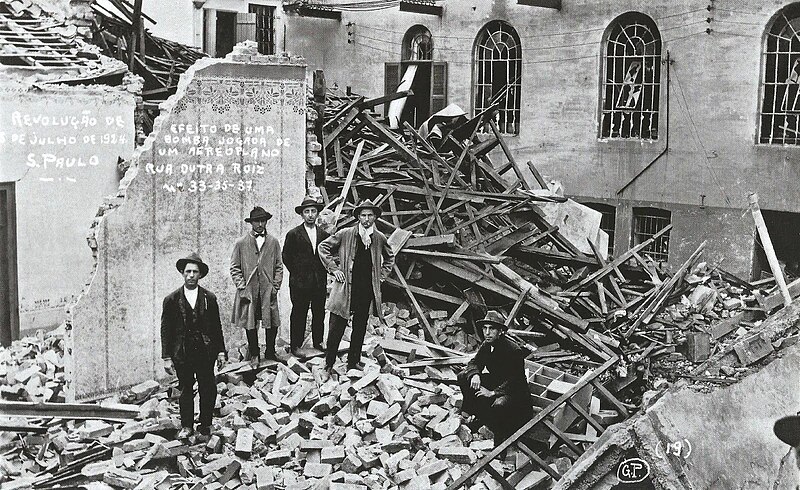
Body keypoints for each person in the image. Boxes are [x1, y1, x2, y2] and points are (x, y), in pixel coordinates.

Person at [318, 199, 394, 371]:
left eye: (370, 215)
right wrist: (334, 268)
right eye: (363, 215)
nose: (366, 219)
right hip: (346, 288)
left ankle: (353, 362)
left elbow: (390, 257)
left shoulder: (379, 238)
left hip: (365, 289)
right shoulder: (346, 233)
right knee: (336, 326)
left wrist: (381, 276)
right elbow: (323, 247)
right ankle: (329, 363)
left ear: (375, 217)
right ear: (358, 217)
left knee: (360, 328)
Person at [161, 253, 226, 438]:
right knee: (185, 389)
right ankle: (187, 425)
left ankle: (205, 424)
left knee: (208, 388)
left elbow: (216, 327)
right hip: (182, 352)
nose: (191, 275)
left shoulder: (209, 298)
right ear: (182, 273)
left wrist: (221, 351)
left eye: (195, 272)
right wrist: (167, 357)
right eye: (188, 271)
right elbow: (166, 330)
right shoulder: (171, 300)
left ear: (200, 275)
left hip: (205, 351)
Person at [458, 311, 533, 446]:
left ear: (500, 332)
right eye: (485, 328)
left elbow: (517, 381)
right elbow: (474, 362)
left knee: (499, 404)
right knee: (463, 376)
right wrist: (475, 374)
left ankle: (499, 440)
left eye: (491, 329)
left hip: (515, 394)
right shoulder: (487, 345)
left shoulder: (513, 350)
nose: (487, 332)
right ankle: (474, 413)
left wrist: (493, 393)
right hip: (497, 383)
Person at [230, 206, 283, 364]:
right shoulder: (241, 243)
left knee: (272, 321)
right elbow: (234, 267)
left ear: (266, 222)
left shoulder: (273, 242)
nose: (260, 224)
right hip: (249, 290)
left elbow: (279, 266)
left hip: (268, 289)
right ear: (251, 223)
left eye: (262, 221)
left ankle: (271, 351)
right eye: (256, 221)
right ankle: (254, 353)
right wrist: (242, 287)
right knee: (250, 321)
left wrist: (275, 286)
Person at [282, 197, 330, 356]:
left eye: (313, 211)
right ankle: (295, 345)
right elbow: (286, 256)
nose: (310, 215)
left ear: (317, 214)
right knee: (299, 313)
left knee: (319, 313)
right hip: (300, 283)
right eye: (307, 212)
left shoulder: (324, 234)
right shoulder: (294, 234)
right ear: (302, 215)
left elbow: (327, 256)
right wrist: (298, 273)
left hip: (318, 282)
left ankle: (318, 342)